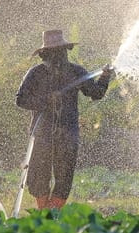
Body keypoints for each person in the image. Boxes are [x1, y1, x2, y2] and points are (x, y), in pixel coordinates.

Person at [15, 29, 115, 209]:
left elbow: (96, 93)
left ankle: (53, 214)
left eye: (61, 51)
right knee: (39, 178)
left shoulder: (76, 72)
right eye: (53, 52)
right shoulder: (35, 73)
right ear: (45, 54)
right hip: (42, 135)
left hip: (68, 134)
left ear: (66, 51)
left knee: (64, 178)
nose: (58, 55)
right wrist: (45, 100)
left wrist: (105, 77)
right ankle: (43, 213)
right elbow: (21, 100)